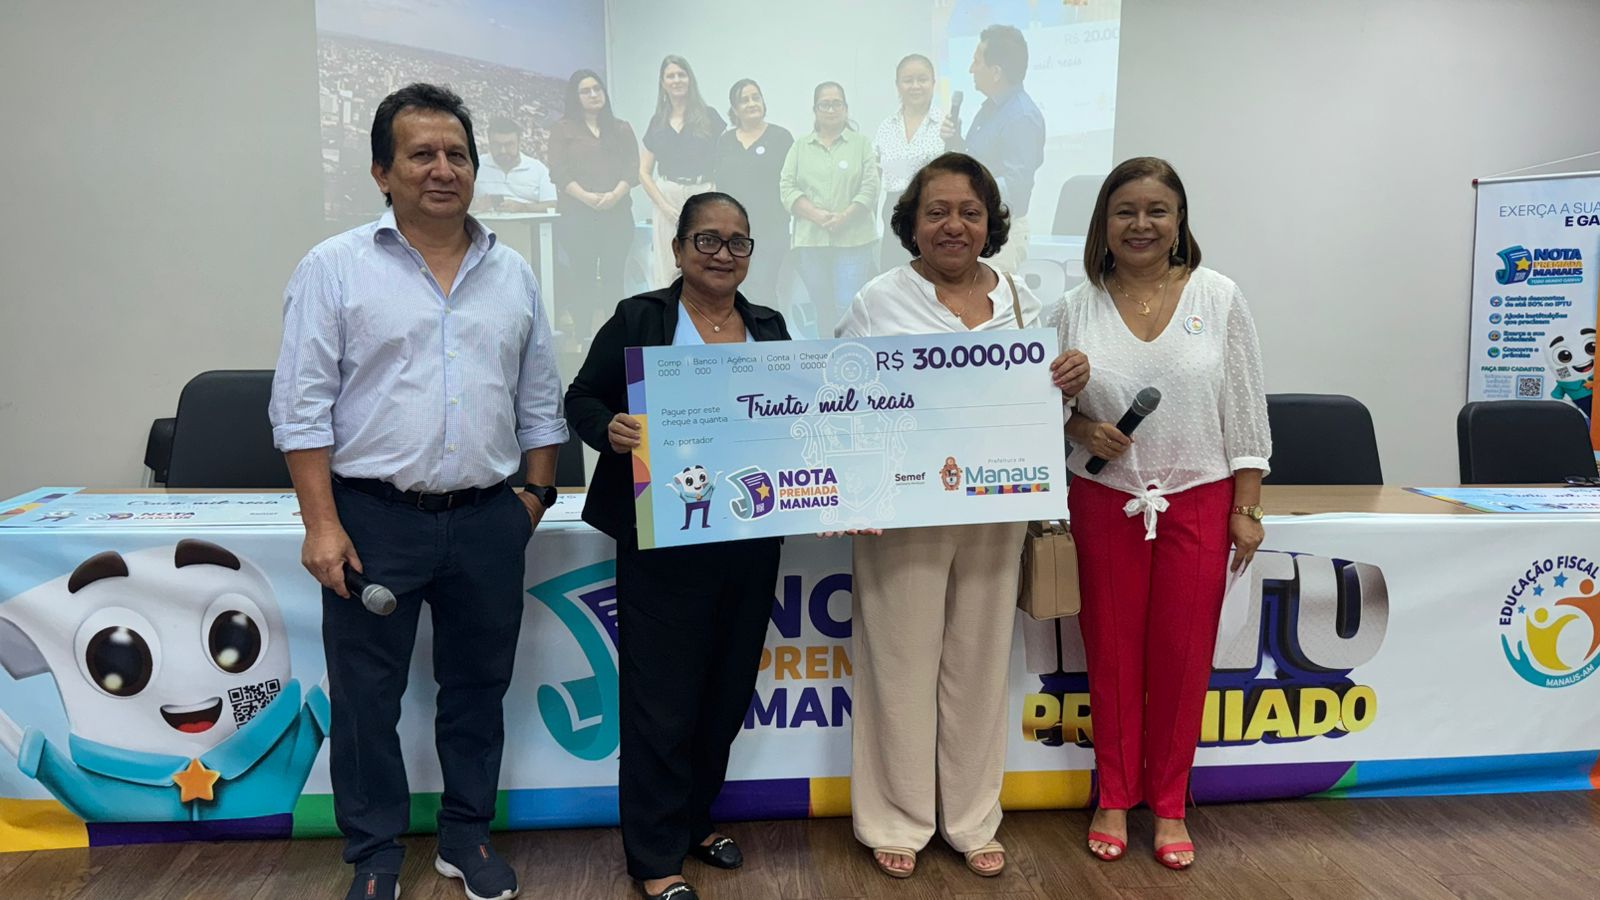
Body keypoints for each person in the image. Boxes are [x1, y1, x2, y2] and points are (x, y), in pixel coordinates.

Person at [268, 82, 568, 900]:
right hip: (373, 520)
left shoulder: (512, 273)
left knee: (478, 690)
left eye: (457, 155)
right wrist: (321, 525)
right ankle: (373, 853)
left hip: (487, 518)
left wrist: (534, 499)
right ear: (382, 172)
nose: (443, 169)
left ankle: (466, 837)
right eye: (422, 154)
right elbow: (300, 409)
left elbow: (540, 400)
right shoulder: (334, 268)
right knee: (367, 699)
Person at [835, 152, 1088, 880]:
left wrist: (1070, 383)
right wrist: (853, 490)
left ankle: (973, 818)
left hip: (995, 509)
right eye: (937, 211)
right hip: (902, 512)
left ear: (990, 223)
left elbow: (1043, 410)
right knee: (899, 664)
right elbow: (839, 402)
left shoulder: (1021, 299)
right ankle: (897, 818)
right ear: (911, 223)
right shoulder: (879, 300)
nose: (954, 225)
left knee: (978, 664)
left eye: (970, 212)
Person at [565, 192, 791, 900]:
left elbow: (793, 419)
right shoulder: (641, 318)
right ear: (678, 247)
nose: (723, 254)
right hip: (662, 536)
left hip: (748, 536)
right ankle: (655, 856)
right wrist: (610, 430)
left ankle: (694, 821)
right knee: (661, 702)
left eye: (737, 241)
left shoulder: (769, 326)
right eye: (707, 239)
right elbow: (581, 398)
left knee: (725, 693)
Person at [1056, 156, 1271, 870]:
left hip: (1201, 497)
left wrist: (1246, 504)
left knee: (1182, 659)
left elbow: (1244, 406)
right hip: (1105, 499)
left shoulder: (1219, 295)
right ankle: (1115, 797)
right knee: (1111, 654)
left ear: (1179, 221)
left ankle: (1171, 804)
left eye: (1157, 211)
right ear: (1104, 223)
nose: (1141, 224)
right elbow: (1048, 408)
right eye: (1125, 211)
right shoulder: (1075, 305)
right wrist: (1083, 428)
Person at [779, 82, 880, 338]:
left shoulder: (861, 144)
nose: (831, 109)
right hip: (811, 241)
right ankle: (828, 357)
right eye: (825, 104)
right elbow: (787, 189)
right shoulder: (800, 147)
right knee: (822, 308)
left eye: (837, 104)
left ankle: (851, 356)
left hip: (854, 240)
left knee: (847, 305)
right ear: (815, 110)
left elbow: (870, 188)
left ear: (845, 108)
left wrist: (844, 217)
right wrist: (817, 216)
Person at [942, 24, 1045, 273]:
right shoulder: (990, 108)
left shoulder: (1021, 117)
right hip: (978, 225)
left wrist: (966, 191)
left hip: (1000, 233)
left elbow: (1016, 186)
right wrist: (956, 142)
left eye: (977, 62)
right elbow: (978, 163)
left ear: (996, 72)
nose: (971, 69)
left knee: (990, 299)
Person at [548, 69, 641, 342]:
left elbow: (632, 169)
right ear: (575, 97)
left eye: (597, 89)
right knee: (583, 278)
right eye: (585, 91)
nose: (593, 95)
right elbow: (559, 172)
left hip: (617, 214)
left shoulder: (621, 128)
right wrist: (588, 198)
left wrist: (614, 195)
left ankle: (616, 341)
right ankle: (582, 341)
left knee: (614, 278)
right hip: (578, 216)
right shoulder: (563, 129)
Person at [640, 55, 725, 289]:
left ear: (690, 79)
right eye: (670, 76)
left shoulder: (709, 116)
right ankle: (670, 312)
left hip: (702, 194)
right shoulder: (657, 122)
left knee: (705, 261)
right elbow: (644, 172)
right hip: (667, 197)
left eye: (681, 74)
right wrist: (664, 206)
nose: (676, 80)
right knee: (668, 266)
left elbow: (725, 162)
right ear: (663, 82)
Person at [715, 78, 794, 305]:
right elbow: (721, 186)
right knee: (739, 289)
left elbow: (791, 182)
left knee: (763, 289)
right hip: (735, 231)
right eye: (744, 100)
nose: (751, 103)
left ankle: (767, 329)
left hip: (771, 229)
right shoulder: (726, 141)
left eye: (755, 97)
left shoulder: (781, 138)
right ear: (735, 109)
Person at [872, 54, 944, 269]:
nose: (915, 86)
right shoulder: (886, 127)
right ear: (898, 85)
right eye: (908, 80)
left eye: (922, 79)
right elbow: (875, 173)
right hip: (894, 211)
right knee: (893, 279)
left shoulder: (946, 124)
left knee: (932, 278)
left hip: (934, 212)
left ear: (933, 83)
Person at [476, 116, 556, 211]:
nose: (503, 151)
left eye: (509, 144)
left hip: (526, 219)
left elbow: (552, 205)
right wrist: (474, 206)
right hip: (483, 219)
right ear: (489, 143)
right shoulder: (475, 166)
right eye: (497, 145)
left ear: (519, 143)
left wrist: (523, 208)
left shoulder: (538, 169)